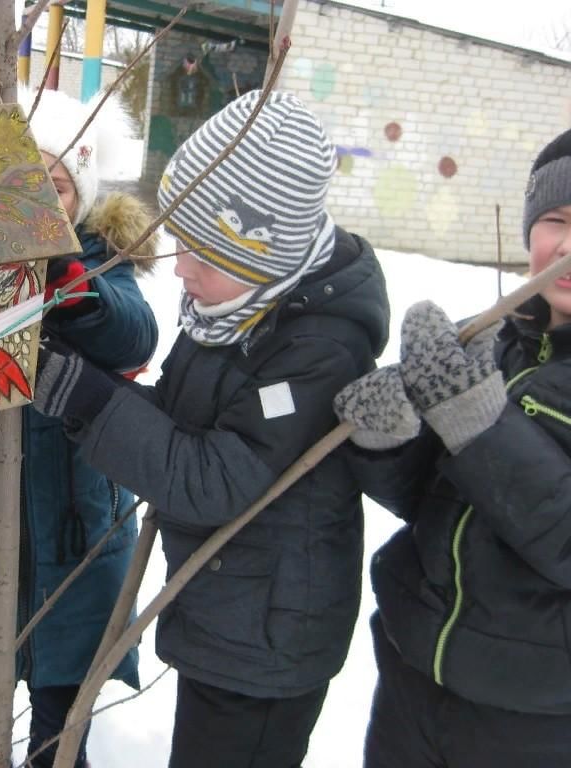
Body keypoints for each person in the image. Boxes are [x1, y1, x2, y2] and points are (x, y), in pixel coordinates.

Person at [32, 89, 390, 768]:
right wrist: (91, 384)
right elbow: (180, 407)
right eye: (181, 241)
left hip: (267, 643)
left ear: (263, 254)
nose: (180, 269)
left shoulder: (319, 349)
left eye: (205, 253)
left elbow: (217, 477)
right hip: (228, 608)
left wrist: (86, 400)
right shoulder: (236, 308)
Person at [0, 87, 159, 767]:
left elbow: (133, 333)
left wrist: (61, 274)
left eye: (54, 185)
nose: (41, 202)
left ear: (79, 195)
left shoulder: (97, 260)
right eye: (25, 186)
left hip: (74, 541)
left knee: (59, 742)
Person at [334, 127, 571, 768]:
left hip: (535, 723)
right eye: (556, 219)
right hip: (414, 682)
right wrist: (390, 445)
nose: (569, 246)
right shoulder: (494, 345)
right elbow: (440, 500)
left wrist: (479, 425)